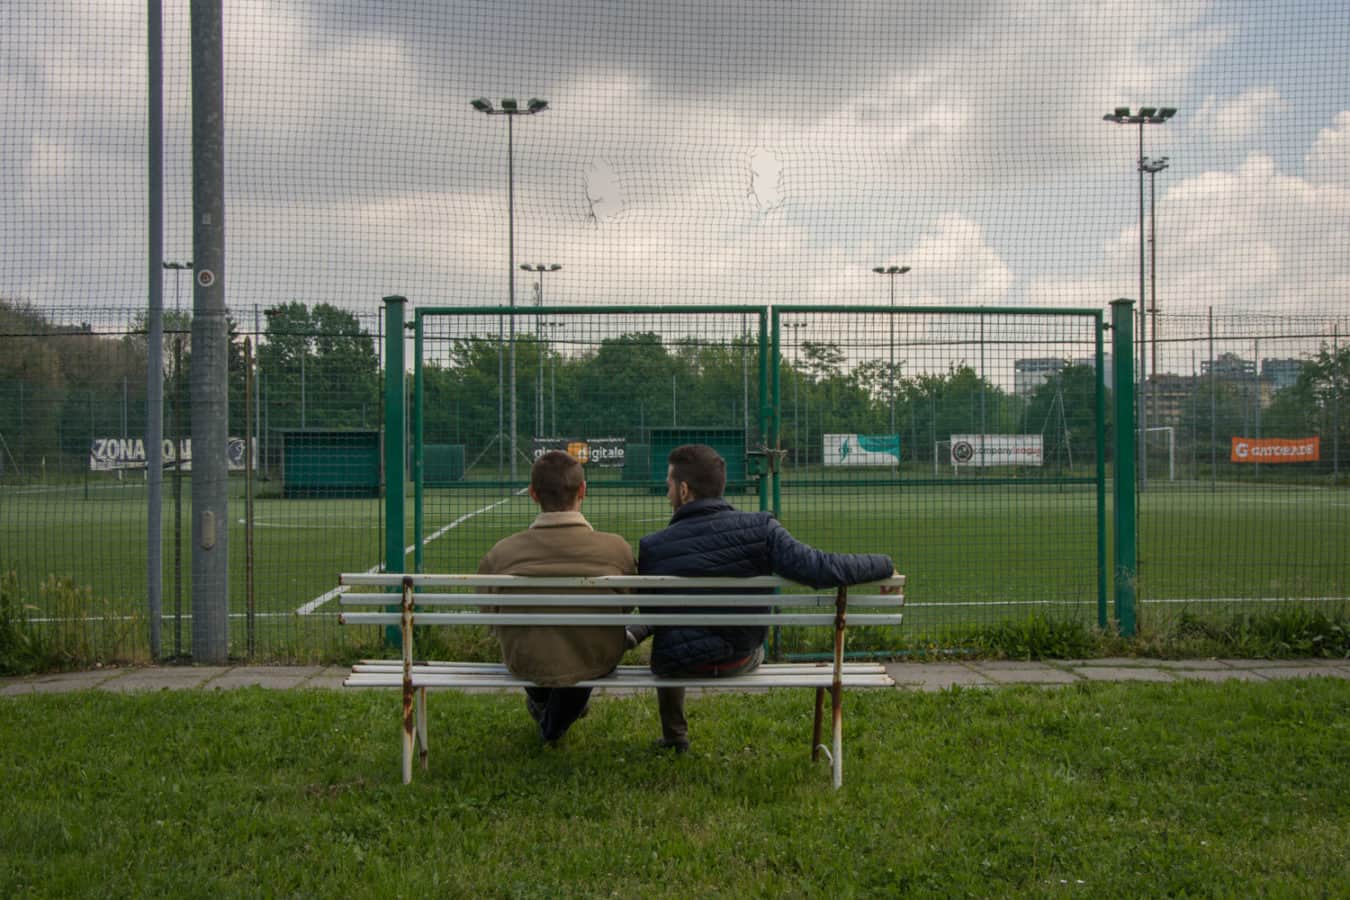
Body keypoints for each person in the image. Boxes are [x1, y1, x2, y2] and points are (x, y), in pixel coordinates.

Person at [635, 443, 898, 752]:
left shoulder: (653, 546)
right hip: (741, 658)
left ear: (683, 490)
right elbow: (820, 569)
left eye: (668, 485)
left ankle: (675, 739)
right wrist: (884, 564)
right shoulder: (761, 529)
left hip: (678, 665)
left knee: (675, 638)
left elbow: (654, 615)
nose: (667, 493)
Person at [477, 450, 636, 745]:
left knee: (540, 646)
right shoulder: (616, 549)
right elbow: (627, 605)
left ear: (533, 494)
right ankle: (553, 724)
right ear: (583, 491)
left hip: (525, 658)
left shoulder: (501, 553)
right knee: (583, 645)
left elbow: (489, 614)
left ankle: (548, 718)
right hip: (595, 657)